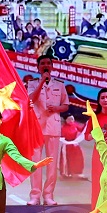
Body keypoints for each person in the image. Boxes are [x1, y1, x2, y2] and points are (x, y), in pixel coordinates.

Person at [25, 54, 69, 205]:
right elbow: (30, 99)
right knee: (35, 163)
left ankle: (48, 195)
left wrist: (57, 108)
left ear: (52, 66)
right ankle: (35, 196)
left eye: (48, 63)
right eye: (42, 63)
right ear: (38, 67)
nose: (45, 66)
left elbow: (65, 105)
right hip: (36, 127)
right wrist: (42, 82)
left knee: (52, 164)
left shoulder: (60, 85)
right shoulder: (32, 83)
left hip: (53, 127)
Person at [83, 87, 107, 208]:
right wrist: (97, 134)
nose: (105, 100)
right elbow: (87, 137)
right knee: (98, 182)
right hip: (99, 155)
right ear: (99, 101)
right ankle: (97, 211)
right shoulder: (94, 117)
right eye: (102, 98)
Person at [60, 114, 84, 179]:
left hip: (75, 145)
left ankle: (77, 172)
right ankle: (67, 173)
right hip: (67, 145)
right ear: (66, 120)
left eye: (72, 119)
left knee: (77, 159)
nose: (71, 120)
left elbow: (82, 130)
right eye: (69, 119)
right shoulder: (63, 128)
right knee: (67, 159)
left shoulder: (75, 125)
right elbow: (62, 136)